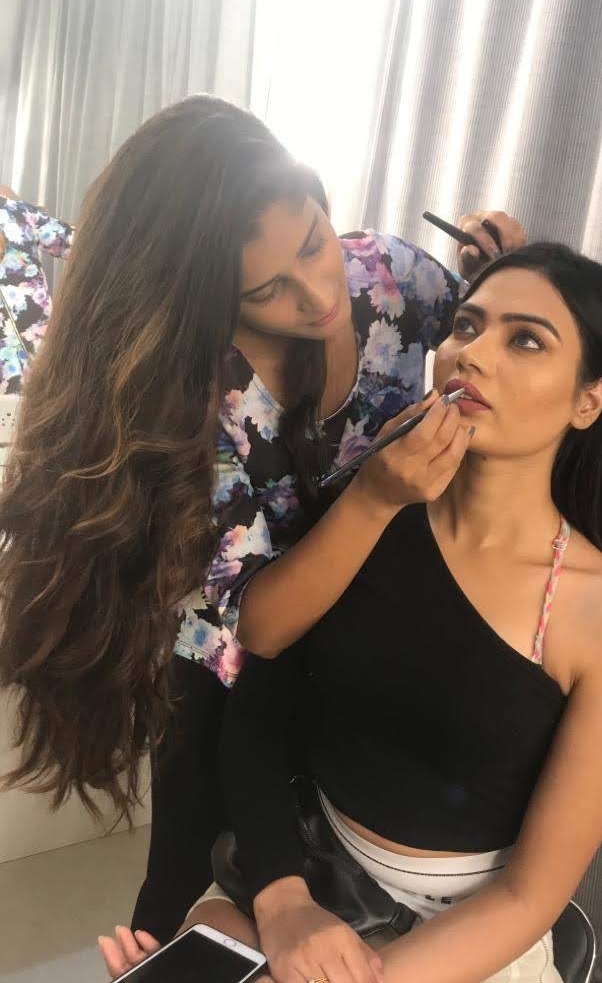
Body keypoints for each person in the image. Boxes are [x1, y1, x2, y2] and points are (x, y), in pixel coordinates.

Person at [0, 94, 524, 945]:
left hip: (357, 650)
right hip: (231, 671)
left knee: (325, 890)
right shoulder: (195, 407)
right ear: (208, 296)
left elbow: (483, 336)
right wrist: (376, 498)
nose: (319, 295)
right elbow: (263, 624)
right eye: (268, 290)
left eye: (313, 241)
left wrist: (497, 269)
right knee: (187, 889)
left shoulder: (385, 277)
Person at [101, 243, 602, 983]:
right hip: (312, 873)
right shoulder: (370, 513)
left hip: (468, 932)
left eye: (526, 340)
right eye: (466, 326)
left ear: (588, 400)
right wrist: (283, 900)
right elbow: (258, 711)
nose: (472, 355)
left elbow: (529, 897)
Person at [0, 184, 73, 392]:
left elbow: (72, 242)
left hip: (37, 357)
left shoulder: (17, 210)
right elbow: (75, 242)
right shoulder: (17, 209)